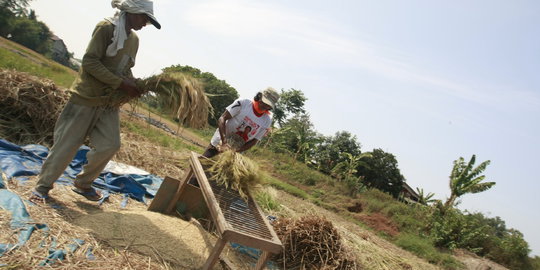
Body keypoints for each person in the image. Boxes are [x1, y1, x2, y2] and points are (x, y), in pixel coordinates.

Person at [30, 0, 161, 202]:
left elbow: (125, 68)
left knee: (111, 144)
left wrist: (134, 84)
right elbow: (90, 61)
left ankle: (83, 183)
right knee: (67, 146)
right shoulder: (106, 28)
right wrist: (119, 83)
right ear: (132, 11)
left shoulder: (133, 39)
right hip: (86, 97)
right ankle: (42, 186)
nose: (145, 23)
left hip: (108, 103)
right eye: (144, 18)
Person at [202, 87, 280, 158]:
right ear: (259, 97)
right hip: (219, 143)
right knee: (203, 163)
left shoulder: (267, 121)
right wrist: (224, 143)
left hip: (234, 153)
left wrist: (235, 151)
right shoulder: (243, 103)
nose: (265, 106)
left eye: (268, 105)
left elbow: (254, 141)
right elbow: (222, 119)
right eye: (264, 102)